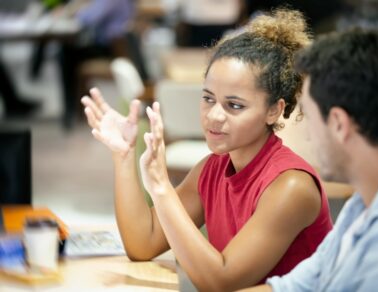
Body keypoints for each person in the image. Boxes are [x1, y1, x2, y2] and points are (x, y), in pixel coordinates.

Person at [81, 9, 333, 291]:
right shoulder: (213, 168)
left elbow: (221, 282)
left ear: (274, 110)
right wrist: (124, 156)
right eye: (208, 99)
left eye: (234, 105)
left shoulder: (292, 186)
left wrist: (162, 188)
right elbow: (143, 243)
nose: (214, 116)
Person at [241, 27, 378, 292]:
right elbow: (294, 287)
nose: (310, 136)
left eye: (310, 119)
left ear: (338, 123)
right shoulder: (365, 202)